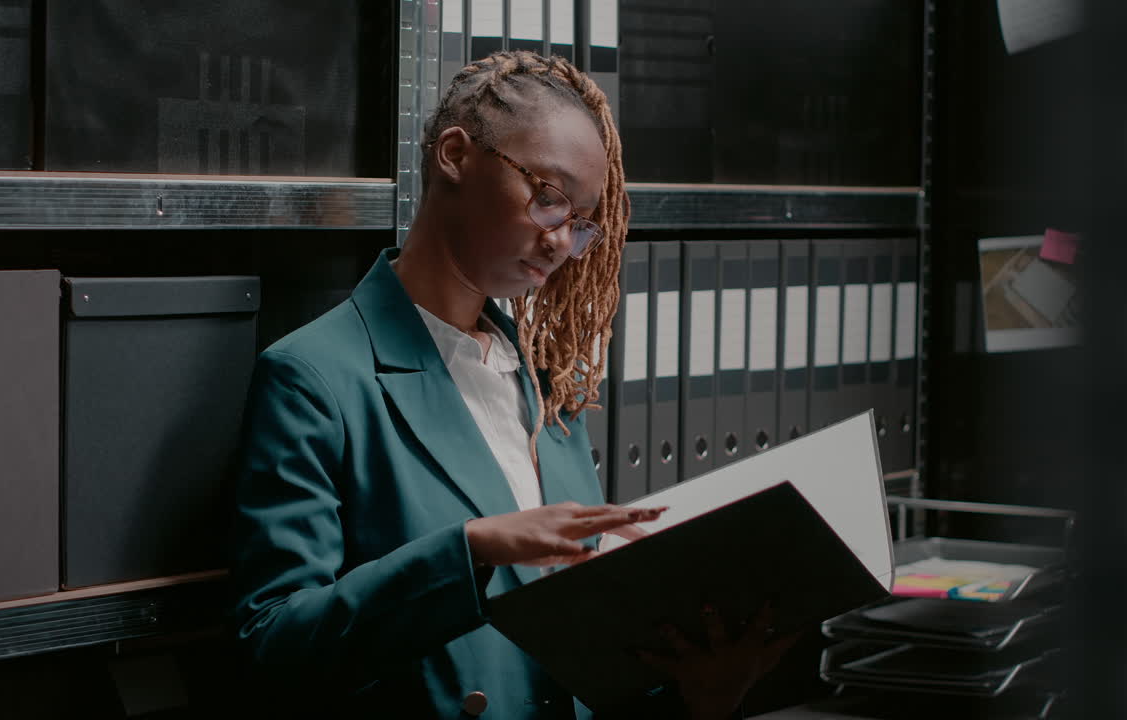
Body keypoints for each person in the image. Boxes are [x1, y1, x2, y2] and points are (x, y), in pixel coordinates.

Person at [231, 50, 795, 719]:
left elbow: (580, 655)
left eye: (582, 222)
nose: (561, 242)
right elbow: (274, 643)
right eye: (549, 197)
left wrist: (701, 694)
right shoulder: (314, 377)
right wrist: (471, 549)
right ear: (454, 155)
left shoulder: (544, 385)